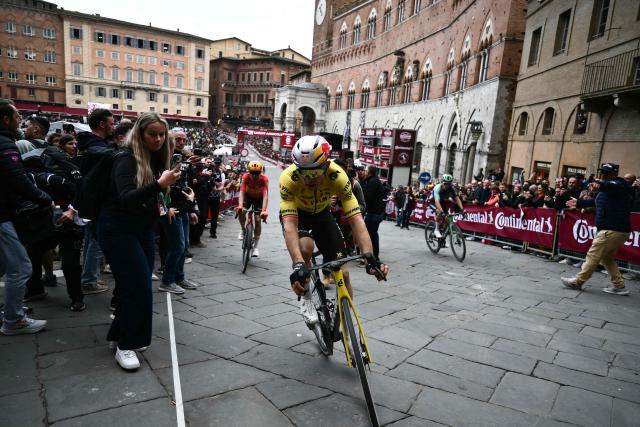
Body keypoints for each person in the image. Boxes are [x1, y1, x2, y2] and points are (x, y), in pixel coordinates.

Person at [97, 112, 180, 370]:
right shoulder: (126, 158)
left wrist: (165, 206)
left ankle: (117, 335)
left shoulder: (157, 159)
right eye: (152, 134)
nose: (157, 138)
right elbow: (126, 198)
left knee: (132, 286)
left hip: (141, 230)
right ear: (140, 134)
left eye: (161, 134)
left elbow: (151, 200)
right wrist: (159, 184)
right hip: (117, 229)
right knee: (139, 288)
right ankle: (127, 345)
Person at [279, 136, 388, 324]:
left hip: (322, 214)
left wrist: (370, 257)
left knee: (344, 273)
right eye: (303, 173)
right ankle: (305, 297)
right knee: (305, 247)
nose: (308, 179)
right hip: (299, 215)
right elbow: (289, 225)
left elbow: (356, 220)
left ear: (326, 164)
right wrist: (297, 264)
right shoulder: (289, 178)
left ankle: (346, 322)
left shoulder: (338, 176)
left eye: (314, 174)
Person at [0, 99, 50, 335]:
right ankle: (13, 320)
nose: (21, 120)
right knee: (20, 267)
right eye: (18, 116)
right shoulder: (5, 144)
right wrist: (44, 198)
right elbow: (17, 179)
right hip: (2, 215)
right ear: (6, 120)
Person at [561, 163, 634, 296]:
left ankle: (578, 281)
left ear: (614, 173)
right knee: (607, 258)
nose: (603, 175)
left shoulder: (619, 184)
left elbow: (611, 185)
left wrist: (600, 183)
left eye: (606, 173)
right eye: (602, 172)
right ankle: (620, 286)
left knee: (593, 255)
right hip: (614, 230)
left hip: (612, 229)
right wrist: (578, 203)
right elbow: (594, 201)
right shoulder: (606, 189)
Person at [76, 109, 115, 295]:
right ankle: (90, 280)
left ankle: (89, 277)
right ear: (102, 124)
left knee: (90, 240)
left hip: (88, 200)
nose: (113, 127)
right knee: (95, 242)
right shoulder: (99, 149)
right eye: (111, 123)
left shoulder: (88, 144)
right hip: (96, 202)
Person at [158, 132, 199, 295]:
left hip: (184, 209)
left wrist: (192, 209)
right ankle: (167, 281)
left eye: (184, 140)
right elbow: (158, 186)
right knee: (177, 246)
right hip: (171, 210)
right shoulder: (164, 159)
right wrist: (164, 209)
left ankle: (179, 277)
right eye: (178, 139)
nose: (181, 142)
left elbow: (188, 185)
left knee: (183, 245)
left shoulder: (184, 160)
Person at [237, 161, 269, 257]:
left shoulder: (264, 179)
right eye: (252, 173)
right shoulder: (245, 177)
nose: (255, 175)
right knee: (241, 212)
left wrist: (264, 210)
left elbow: (265, 196)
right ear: (249, 171)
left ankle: (255, 248)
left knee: (258, 219)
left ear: (261, 172)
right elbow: (242, 192)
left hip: (259, 199)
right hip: (248, 196)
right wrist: (240, 205)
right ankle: (243, 229)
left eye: (257, 173)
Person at [362, 165, 387, 261]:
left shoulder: (373, 182)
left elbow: (368, 196)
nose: (364, 172)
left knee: (367, 235)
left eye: (365, 170)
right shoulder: (374, 181)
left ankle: (369, 257)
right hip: (376, 212)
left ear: (369, 172)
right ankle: (375, 256)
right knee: (373, 234)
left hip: (374, 213)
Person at [207, 157, 225, 239]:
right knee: (203, 215)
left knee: (215, 216)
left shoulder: (221, 173)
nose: (217, 165)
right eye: (216, 163)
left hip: (216, 197)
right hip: (207, 196)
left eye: (218, 163)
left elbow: (222, 185)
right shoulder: (208, 171)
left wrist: (218, 189)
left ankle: (213, 232)